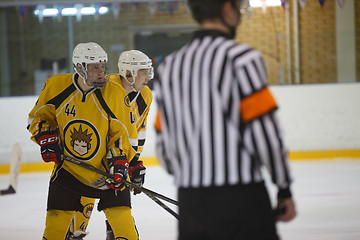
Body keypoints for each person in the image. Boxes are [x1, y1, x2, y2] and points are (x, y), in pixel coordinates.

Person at [154, 0, 296, 239]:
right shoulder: (241, 59)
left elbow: (164, 145)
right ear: (227, 9)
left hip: (191, 202)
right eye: (239, 9)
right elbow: (266, 134)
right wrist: (284, 187)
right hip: (241, 199)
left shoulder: (169, 66)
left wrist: (190, 174)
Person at [27, 42, 141, 240]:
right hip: (69, 172)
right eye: (95, 67)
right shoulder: (56, 86)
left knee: (125, 229)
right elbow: (38, 119)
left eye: (103, 66)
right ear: (79, 67)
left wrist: (119, 162)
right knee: (54, 228)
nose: (101, 72)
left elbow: (121, 135)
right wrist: (47, 139)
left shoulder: (114, 93)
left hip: (106, 174)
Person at [66, 50, 154, 240]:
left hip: (117, 162)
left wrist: (134, 162)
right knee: (80, 214)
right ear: (129, 72)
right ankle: (73, 232)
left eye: (149, 71)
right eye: (143, 72)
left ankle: (112, 231)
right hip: (92, 162)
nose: (148, 77)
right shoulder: (106, 87)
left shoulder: (146, 95)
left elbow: (139, 131)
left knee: (120, 213)